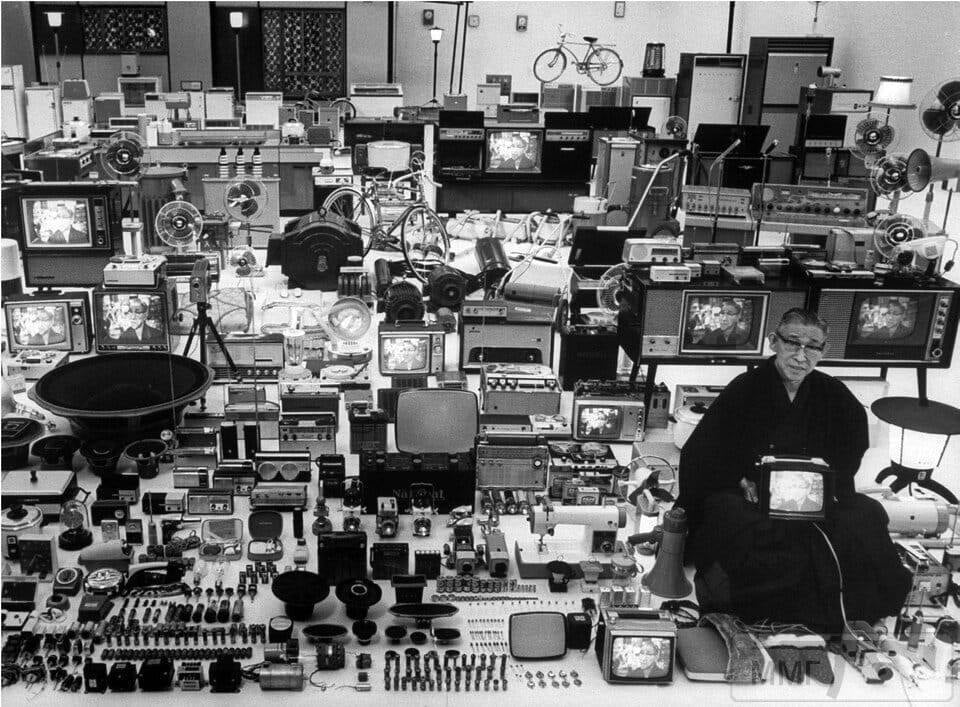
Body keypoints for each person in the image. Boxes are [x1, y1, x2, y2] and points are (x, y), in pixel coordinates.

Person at [677, 308, 911, 632]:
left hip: (813, 493)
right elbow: (704, 452)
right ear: (774, 341)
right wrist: (742, 480)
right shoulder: (745, 389)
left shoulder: (833, 394)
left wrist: (821, 485)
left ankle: (847, 614)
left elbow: (850, 448)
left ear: (824, 351)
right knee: (734, 518)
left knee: (866, 516)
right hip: (751, 494)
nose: (801, 356)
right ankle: (757, 615)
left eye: (812, 347)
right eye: (793, 343)